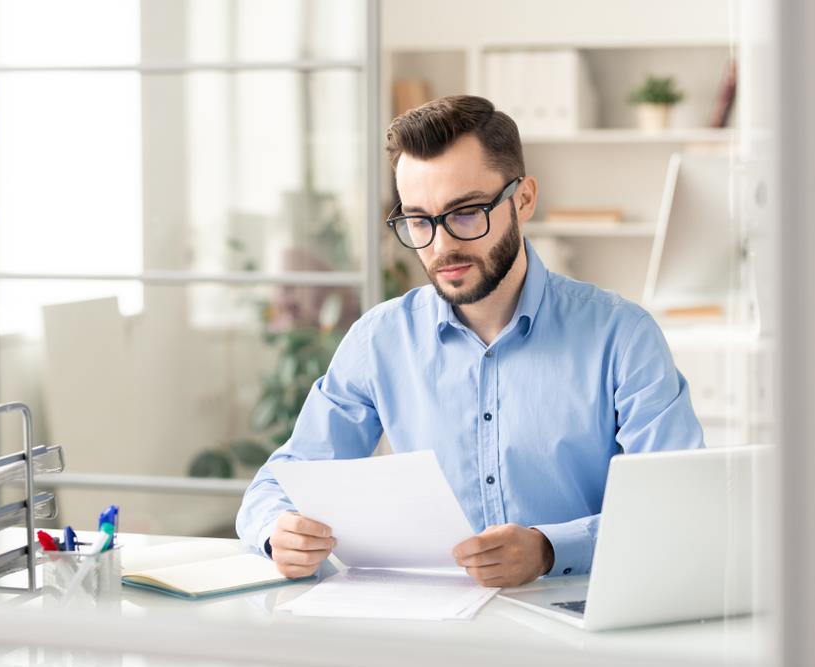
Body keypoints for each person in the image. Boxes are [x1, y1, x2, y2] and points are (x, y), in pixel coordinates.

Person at [236, 95, 704, 588]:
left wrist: (549, 549)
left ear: (522, 200)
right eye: (418, 220)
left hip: (582, 623)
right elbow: (276, 484)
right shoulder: (380, 340)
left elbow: (679, 505)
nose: (441, 247)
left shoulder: (622, 336)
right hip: (435, 628)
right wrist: (278, 532)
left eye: (465, 213)